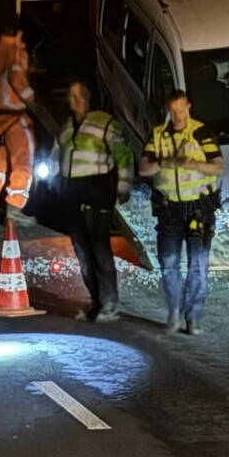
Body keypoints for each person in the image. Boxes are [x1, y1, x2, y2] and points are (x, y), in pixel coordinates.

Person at [139, 91, 225, 335]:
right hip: (169, 208)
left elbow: (218, 167)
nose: (178, 114)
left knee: (197, 265)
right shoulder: (158, 134)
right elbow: (143, 168)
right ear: (168, 110)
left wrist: (193, 164)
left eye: (181, 108)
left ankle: (193, 317)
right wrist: (163, 163)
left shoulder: (201, 133)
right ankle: (174, 313)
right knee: (169, 263)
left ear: (188, 107)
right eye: (173, 110)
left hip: (198, 208)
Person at [55, 80, 134, 323]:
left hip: (97, 189)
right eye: (71, 96)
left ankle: (110, 304)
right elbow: (56, 155)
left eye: (78, 95)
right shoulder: (67, 127)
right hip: (72, 192)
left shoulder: (104, 122)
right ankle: (96, 302)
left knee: (100, 249)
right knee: (82, 251)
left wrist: (123, 186)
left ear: (87, 98)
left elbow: (123, 155)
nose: (74, 100)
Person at [0, 24, 38, 226]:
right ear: (19, 33)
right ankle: (15, 208)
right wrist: (31, 97)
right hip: (14, 113)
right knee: (23, 158)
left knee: (2, 154)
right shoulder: (15, 51)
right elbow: (16, 77)